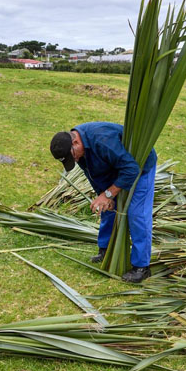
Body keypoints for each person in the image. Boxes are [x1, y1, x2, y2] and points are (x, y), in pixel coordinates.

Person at [50, 121, 156, 283]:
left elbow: (131, 169)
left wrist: (109, 193)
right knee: (106, 208)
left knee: (136, 214)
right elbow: (92, 174)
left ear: (76, 143)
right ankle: (106, 250)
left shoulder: (102, 141)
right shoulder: (81, 150)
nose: (75, 160)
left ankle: (142, 267)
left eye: (73, 156)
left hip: (140, 166)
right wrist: (104, 195)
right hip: (115, 166)